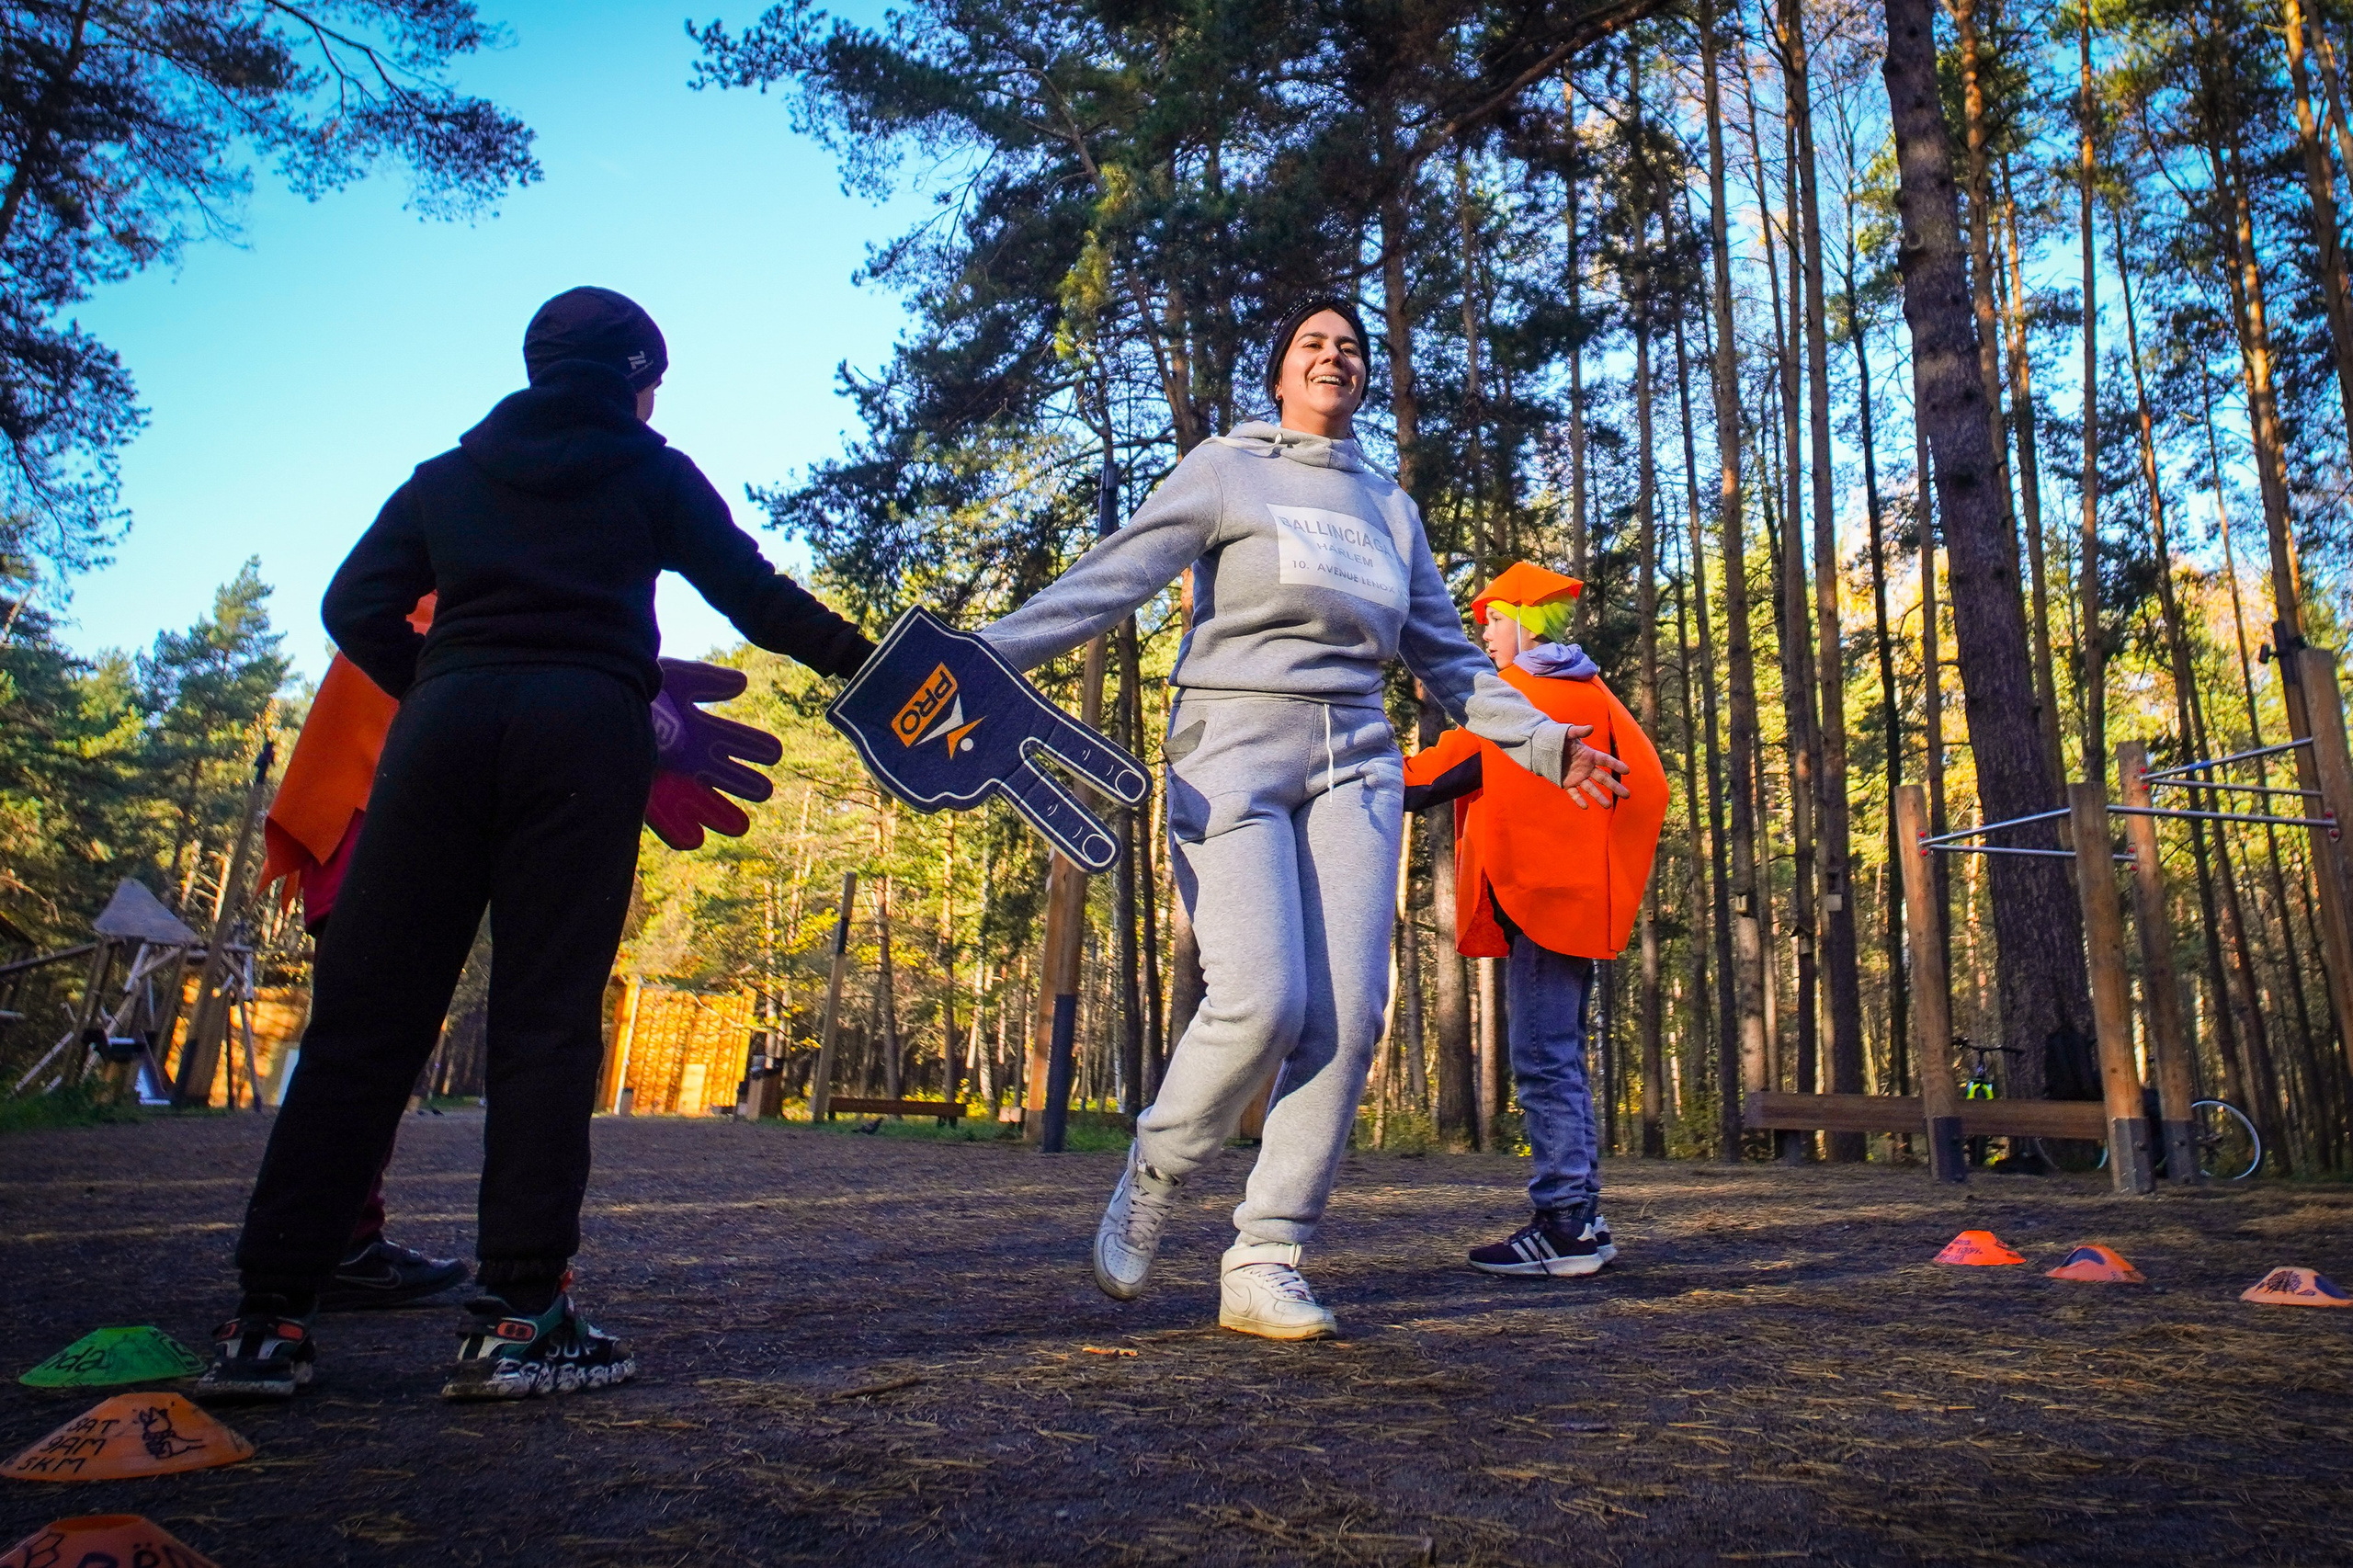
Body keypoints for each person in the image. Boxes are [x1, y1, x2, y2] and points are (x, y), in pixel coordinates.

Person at [198, 286, 871, 1403]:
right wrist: (875, 666)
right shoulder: (652, 471)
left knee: (365, 1019)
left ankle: (266, 1320)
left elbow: (351, 602)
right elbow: (758, 598)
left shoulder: (448, 478)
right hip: (582, 731)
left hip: (442, 731)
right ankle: (520, 1315)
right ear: (637, 374)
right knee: (546, 1015)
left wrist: (438, 683)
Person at [980, 296, 1631, 1340]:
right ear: (1281, 374)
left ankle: (1266, 1253)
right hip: (1231, 744)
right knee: (1263, 997)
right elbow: (1115, 576)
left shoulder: (1388, 506)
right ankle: (1161, 1159)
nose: (1334, 356)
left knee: (1346, 1015)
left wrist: (1546, 742)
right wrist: (980, 656)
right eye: (1312, 345)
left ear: (1363, 378)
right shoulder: (1225, 468)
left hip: (1358, 763)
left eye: (1351, 348)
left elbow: (1449, 659)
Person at [1401, 562, 1667, 1277]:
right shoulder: (1591, 689)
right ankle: (1582, 1217)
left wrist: (1348, 770)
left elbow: (1432, 775)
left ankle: (1564, 1228)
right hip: (1572, 898)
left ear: (1523, 620)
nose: (1483, 632)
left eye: (1491, 619)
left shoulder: (1523, 694)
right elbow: (1650, 785)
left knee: (1544, 1063)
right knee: (1559, 1060)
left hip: (1545, 900)